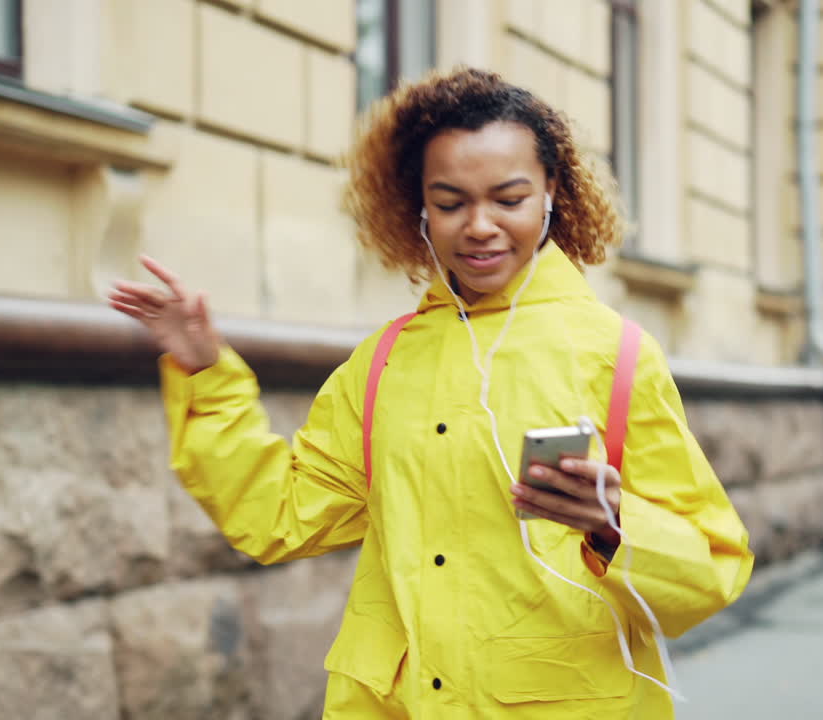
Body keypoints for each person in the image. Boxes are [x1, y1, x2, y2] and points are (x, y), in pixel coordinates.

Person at [109, 67, 752, 718]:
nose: (479, 226)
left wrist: (613, 526)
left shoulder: (615, 354)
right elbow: (276, 516)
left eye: (508, 198)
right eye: (451, 202)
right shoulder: (385, 360)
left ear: (552, 191)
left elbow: (713, 565)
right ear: (417, 204)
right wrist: (203, 371)